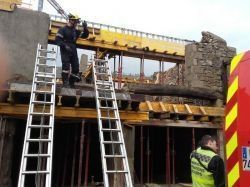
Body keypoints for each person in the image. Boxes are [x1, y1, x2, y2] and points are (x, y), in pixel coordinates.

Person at [55, 14, 89, 88]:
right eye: (76, 21)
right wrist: (64, 46)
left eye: (77, 22)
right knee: (66, 66)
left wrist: (85, 28)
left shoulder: (75, 31)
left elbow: (85, 35)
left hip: (73, 49)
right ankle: (65, 83)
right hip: (65, 49)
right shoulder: (63, 29)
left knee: (76, 68)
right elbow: (57, 40)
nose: (76, 23)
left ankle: (71, 83)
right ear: (71, 20)